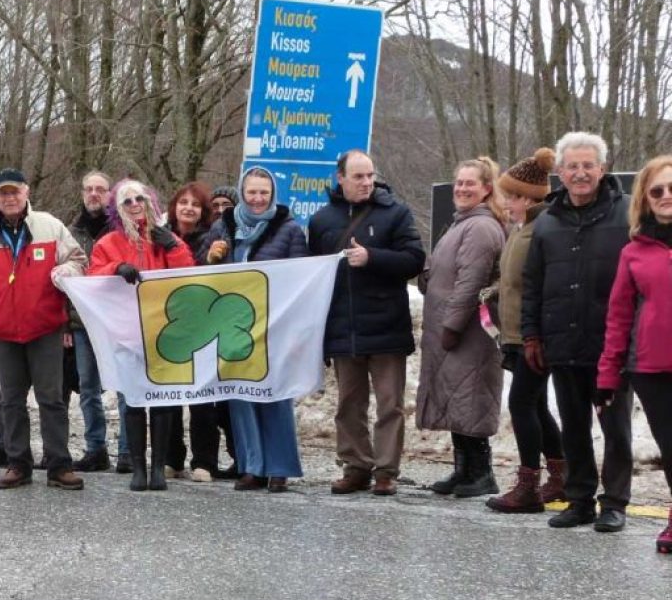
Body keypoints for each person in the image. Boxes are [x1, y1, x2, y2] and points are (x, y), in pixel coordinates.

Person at [522, 131, 633, 531]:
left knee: (615, 428)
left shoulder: (627, 214)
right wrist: (531, 335)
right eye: (573, 166)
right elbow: (533, 283)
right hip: (562, 341)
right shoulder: (547, 221)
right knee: (573, 427)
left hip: (612, 345)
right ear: (561, 172)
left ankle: (615, 502)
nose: (581, 173)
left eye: (588, 165)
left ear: (602, 169)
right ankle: (580, 498)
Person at [309, 149, 426, 497]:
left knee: (390, 404)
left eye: (370, 175)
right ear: (340, 178)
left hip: (387, 325)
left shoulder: (396, 213)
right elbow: (313, 275)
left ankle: (386, 471)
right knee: (349, 404)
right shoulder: (321, 220)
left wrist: (372, 257)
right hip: (343, 327)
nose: (366, 182)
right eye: (358, 176)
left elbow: (414, 260)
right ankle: (356, 466)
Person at [0, 167, 88, 490]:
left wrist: (66, 270)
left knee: (51, 399)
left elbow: (80, 260)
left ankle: (59, 465)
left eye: (15, 191)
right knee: (11, 401)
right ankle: (18, 463)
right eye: (3, 193)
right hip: (3, 333)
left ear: (26, 192)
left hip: (45, 328)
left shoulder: (50, 226)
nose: (10, 198)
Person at [203, 167, 308, 492]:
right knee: (242, 397)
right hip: (235, 326)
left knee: (275, 395)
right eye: (252, 192)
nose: (258, 198)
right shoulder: (224, 226)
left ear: (273, 194)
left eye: (264, 192)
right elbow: (203, 271)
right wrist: (211, 257)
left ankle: (279, 467)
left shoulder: (289, 229)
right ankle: (252, 466)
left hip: (275, 325)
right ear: (242, 193)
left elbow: (301, 281)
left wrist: (296, 330)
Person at [88, 179, 195, 490]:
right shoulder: (108, 243)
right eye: (127, 201)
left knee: (161, 399)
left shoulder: (164, 237)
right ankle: (138, 467)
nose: (135, 205)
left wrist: (173, 247)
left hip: (163, 330)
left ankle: (158, 468)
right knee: (134, 399)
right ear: (117, 209)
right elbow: (93, 274)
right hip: (127, 332)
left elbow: (187, 274)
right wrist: (115, 268)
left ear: (149, 202)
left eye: (140, 199)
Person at [416, 156, 508, 497]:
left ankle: (481, 473)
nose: (462, 189)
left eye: (470, 183)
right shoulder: (463, 223)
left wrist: (452, 325)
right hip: (453, 329)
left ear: (486, 189)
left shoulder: (480, 227)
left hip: (468, 331)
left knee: (471, 398)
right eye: (459, 182)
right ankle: (463, 470)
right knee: (458, 398)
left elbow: (471, 282)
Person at [597, 154, 672, 553]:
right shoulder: (634, 252)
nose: (666, 196)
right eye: (657, 190)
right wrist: (608, 375)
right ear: (645, 198)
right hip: (652, 368)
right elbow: (619, 316)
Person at [485, 148, 565, 513]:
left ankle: (529, 485)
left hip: (533, 336)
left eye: (511, 197)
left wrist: (537, 333)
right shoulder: (522, 230)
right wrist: (493, 294)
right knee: (535, 404)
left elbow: (542, 285)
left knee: (521, 403)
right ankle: (560, 475)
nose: (506, 203)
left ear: (527, 198)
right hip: (517, 333)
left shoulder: (540, 231)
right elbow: (515, 281)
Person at [166, 180, 217, 481]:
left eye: (195, 204)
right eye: (183, 202)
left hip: (203, 325)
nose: (188, 208)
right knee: (169, 395)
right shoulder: (159, 235)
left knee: (202, 397)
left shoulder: (212, 239)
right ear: (174, 207)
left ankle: (205, 461)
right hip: (168, 325)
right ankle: (172, 458)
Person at [68, 170, 117, 472]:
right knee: (88, 388)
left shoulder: (122, 228)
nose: (94, 194)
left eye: (100, 189)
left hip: (119, 320)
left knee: (125, 387)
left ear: (110, 194)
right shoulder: (71, 232)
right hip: (82, 321)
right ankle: (96, 447)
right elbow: (62, 279)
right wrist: (65, 322)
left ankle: (129, 451)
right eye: (89, 189)